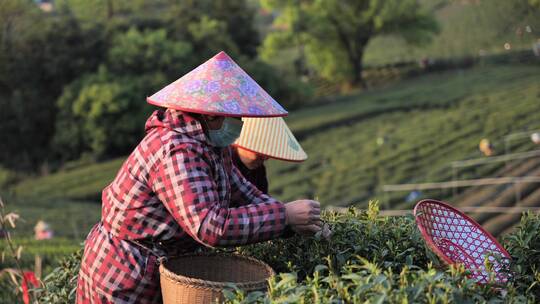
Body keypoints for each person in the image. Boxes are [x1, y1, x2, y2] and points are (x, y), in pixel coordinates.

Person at [76, 51, 324, 303]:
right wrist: (283, 216)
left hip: (158, 265)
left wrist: (294, 219)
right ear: (211, 115)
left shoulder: (211, 145)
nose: (239, 123)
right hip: (123, 276)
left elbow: (243, 194)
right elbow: (210, 226)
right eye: (235, 116)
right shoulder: (176, 149)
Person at [231, 117, 308, 194]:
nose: (266, 157)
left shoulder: (258, 170)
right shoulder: (223, 167)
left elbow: (263, 199)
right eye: (259, 150)